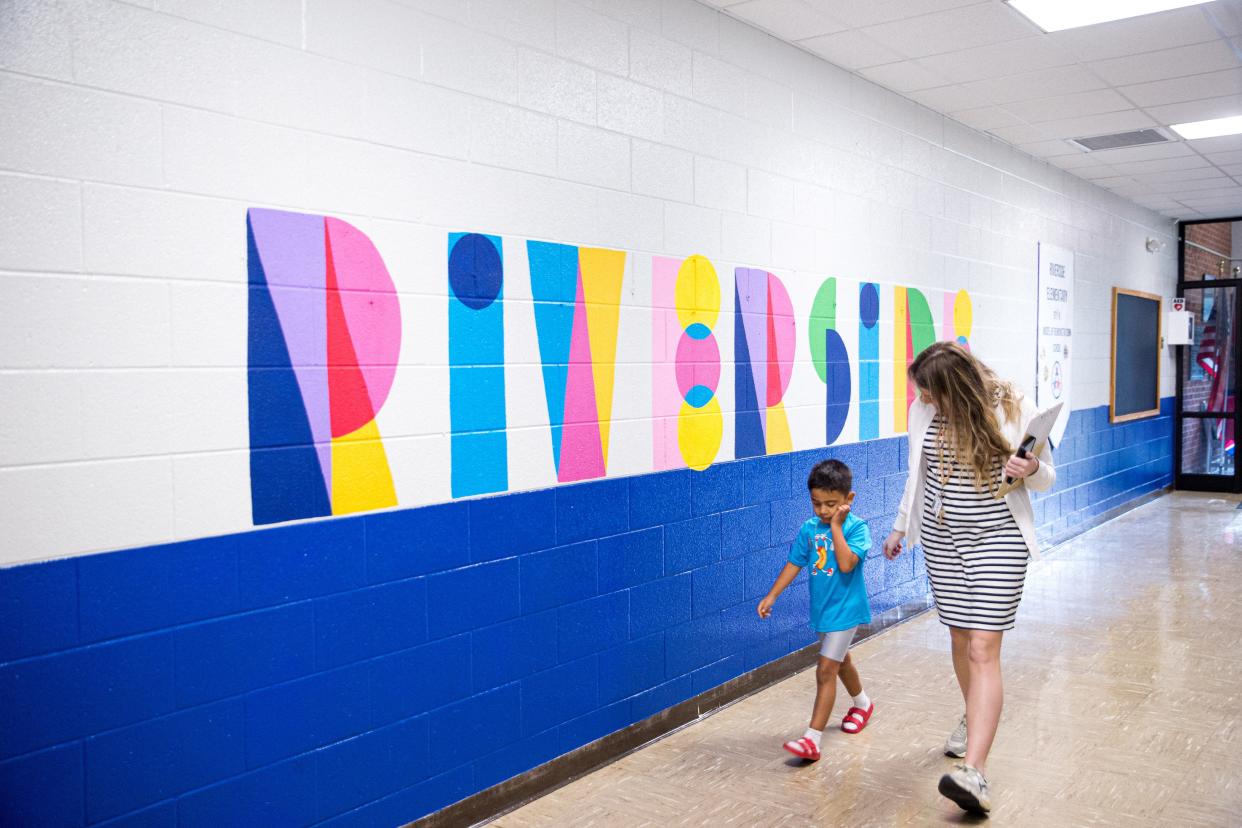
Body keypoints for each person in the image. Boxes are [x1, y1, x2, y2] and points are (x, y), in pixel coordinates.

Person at [882, 341, 1055, 815]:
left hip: (998, 539)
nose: (925, 400)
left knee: (983, 646)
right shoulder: (924, 412)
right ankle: (973, 713)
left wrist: (1032, 467)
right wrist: (902, 525)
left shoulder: (1012, 406)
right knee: (961, 639)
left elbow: (1047, 477)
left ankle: (974, 773)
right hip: (942, 542)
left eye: (933, 393)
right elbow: (915, 474)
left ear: (955, 388)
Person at [758, 459, 874, 762]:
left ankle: (813, 738)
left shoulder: (857, 528)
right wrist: (772, 595)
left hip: (846, 611)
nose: (823, 511)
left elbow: (848, 564)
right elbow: (794, 563)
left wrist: (836, 526)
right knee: (842, 661)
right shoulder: (808, 530)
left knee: (826, 670)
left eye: (831, 504)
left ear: (848, 500)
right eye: (817, 503)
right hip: (822, 612)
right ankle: (862, 704)